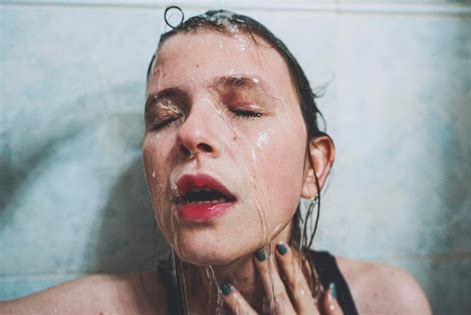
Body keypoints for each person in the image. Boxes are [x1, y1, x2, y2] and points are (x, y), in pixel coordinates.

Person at [0, 7, 431, 315]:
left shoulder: (388, 302)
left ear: (313, 167)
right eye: (165, 117)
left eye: (244, 109)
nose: (190, 134)